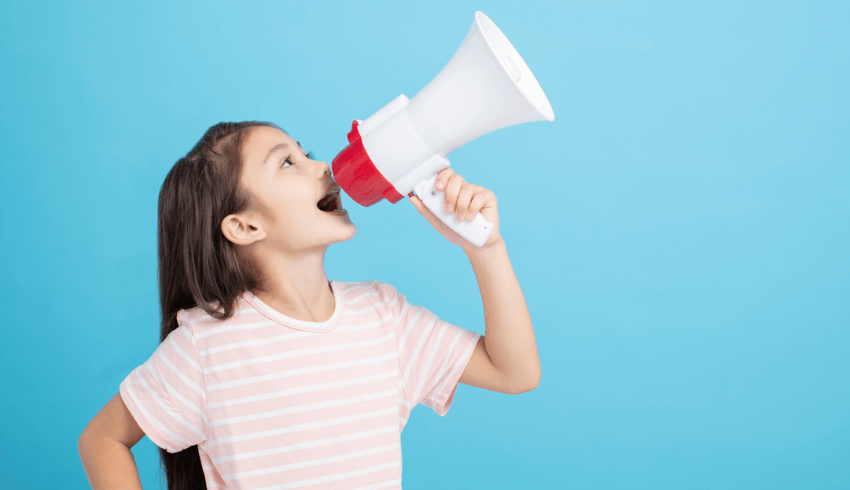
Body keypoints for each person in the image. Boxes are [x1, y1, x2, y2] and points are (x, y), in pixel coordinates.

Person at [77, 121, 540, 490]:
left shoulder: (384, 317)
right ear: (244, 227)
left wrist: (485, 248)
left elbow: (514, 372)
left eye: (307, 153)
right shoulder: (205, 347)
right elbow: (102, 440)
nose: (324, 168)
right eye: (287, 163)